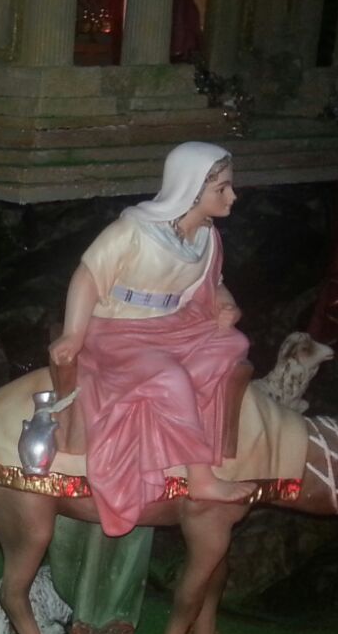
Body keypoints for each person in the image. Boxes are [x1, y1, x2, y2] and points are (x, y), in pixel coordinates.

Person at [49, 141, 251, 536]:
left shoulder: (207, 237)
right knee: (169, 377)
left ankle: (163, 424)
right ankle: (200, 476)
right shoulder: (132, 231)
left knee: (232, 345)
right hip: (117, 330)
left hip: (171, 325)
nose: (232, 196)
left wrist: (225, 304)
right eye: (222, 188)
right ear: (192, 189)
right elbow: (87, 277)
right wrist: (73, 333)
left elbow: (213, 284)